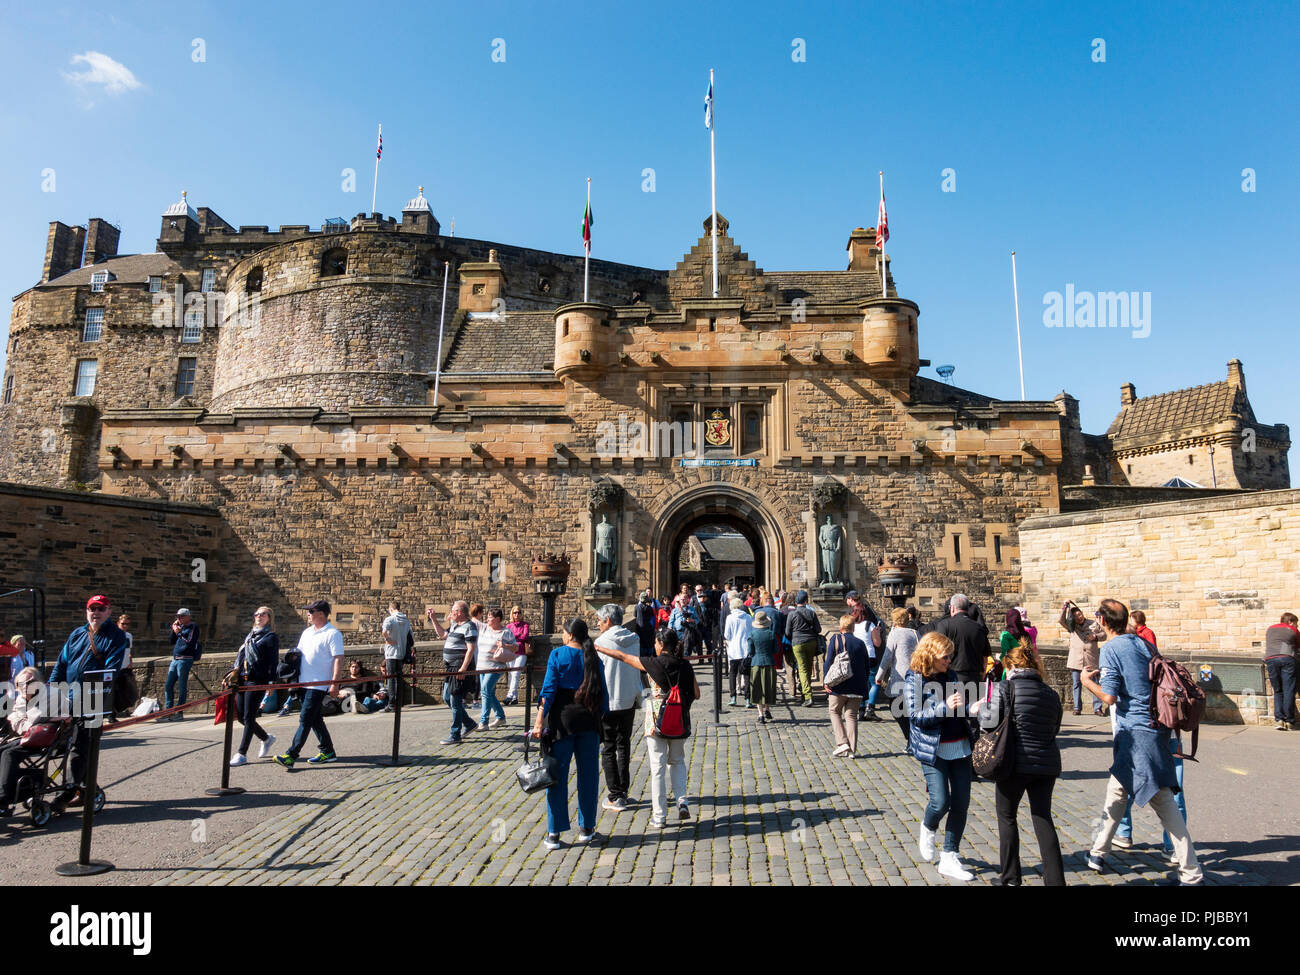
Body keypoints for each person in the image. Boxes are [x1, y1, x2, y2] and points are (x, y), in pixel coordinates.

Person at [1081, 598, 1202, 885]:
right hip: (1155, 728)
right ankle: (1097, 853)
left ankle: (1191, 872)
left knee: (1162, 801)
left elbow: (1109, 697)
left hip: (1136, 735)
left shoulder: (1111, 648)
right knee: (1118, 791)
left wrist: (1087, 682)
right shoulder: (1144, 643)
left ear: (1102, 620)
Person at [592, 627, 700, 827]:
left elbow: (622, 657)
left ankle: (659, 817)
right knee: (677, 761)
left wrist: (598, 647)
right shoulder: (685, 666)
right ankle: (681, 800)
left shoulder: (653, 663)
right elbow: (697, 693)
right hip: (679, 721)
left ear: (660, 645)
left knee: (657, 768)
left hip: (656, 723)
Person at [980, 640, 1066, 886]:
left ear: (1011, 666)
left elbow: (989, 722)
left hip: (1013, 764)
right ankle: (1055, 881)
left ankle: (1010, 878)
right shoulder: (1051, 693)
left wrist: (979, 709)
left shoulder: (1006, 688)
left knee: (1007, 817)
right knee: (1042, 818)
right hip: (1046, 764)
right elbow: (1055, 728)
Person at [906, 631, 977, 882]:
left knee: (960, 804)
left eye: (950, 656)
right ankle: (928, 827)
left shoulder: (952, 675)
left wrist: (971, 708)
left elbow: (959, 706)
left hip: (960, 747)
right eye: (945, 656)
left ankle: (949, 855)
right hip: (933, 749)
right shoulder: (914, 678)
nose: (949, 660)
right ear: (931, 655)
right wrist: (944, 707)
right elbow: (916, 717)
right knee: (940, 802)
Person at [531, 618, 608, 850]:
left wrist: (538, 722)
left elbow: (548, 692)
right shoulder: (593, 657)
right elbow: (603, 695)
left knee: (556, 777)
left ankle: (554, 833)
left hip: (562, 723)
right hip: (589, 722)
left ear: (569, 635)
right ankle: (587, 829)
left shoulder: (558, 655)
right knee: (589, 777)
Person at [49, 594, 129, 811]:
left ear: (109, 612)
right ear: (87, 611)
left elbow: (110, 670)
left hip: (93, 698)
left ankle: (67, 793)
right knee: (68, 746)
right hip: (69, 697)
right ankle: (86, 788)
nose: (96, 613)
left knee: (80, 745)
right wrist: (52, 689)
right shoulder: (77, 633)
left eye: (100, 609)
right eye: (92, 609)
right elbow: (62, 663)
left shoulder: (115, 636)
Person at [273, 599, 345, 770]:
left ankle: (291, 755)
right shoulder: (306, 633)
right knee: (314, 719)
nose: (308, 614)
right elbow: (297, 656)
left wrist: (334, 684)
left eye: (311, 611)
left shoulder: (333, 633)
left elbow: (338, 660)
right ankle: (327, 751)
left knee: (305, 718)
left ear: (320, 614)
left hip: (319, 684)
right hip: (303, 683)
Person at [594, 604, 642, 811]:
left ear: (608, 620)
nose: (597, 623)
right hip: (629, 698)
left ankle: (615, 794)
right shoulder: (634, 639)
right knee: (624, 746)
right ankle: (622, 790)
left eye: (599, 620)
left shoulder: (601, 642)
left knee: (608, 748)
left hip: (609, 700)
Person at [229, 606, 278, 766]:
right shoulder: (250, 635)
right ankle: (266, 738)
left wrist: (271, 682)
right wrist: (232, 673)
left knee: (249, 717)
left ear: (269, 618)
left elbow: (273, 662)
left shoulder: (270, 637)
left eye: (263, 614)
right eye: (256, 613)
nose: (259, 616)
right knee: (243, 717)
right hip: (243, 679)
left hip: (257, 680)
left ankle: (241, 753)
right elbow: (241, 657)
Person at [430, 600, 479, 745]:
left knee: (455, 700)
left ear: (459, 612)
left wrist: (463, 668)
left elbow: (470, 649)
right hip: (450, 667)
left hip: (459, 666)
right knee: (447, 697)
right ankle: (469, 724)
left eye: (452, 611)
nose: (450, 613)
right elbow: (442, 635)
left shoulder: (469, 627)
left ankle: (455, 734)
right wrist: (433, 619)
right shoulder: (455, 626)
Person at [0, 666, 45, 816]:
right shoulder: (20, 698)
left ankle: (2, 801)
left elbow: (34, 723)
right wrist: (22, 722)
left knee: (8, 754)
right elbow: (16, 722)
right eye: (21, 684)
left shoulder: (48, 696)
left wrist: (22, 722)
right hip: (24, 737)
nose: (25, 687)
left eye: (30, 682)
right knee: (2, 749)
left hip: (43, 737)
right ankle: (11, 789)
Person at [825, 614, 870, 757]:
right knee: (851, 716)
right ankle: (852, 750)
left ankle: (842, 742)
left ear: (840, 627)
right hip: (857, 686)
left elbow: (829, 662)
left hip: (839, 685)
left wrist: (826, 682)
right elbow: (866, 666)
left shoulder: (836, 639)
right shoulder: (860, 643)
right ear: (853, 627)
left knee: (834, 711)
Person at [933, 594, 989, 700]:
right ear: (967, 608)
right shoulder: (979, 628)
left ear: (952, 608)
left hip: (951, 676)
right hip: (975, 677)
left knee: (953, 713)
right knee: (973, 712)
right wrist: (981, 675)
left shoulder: (944, 625)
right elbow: (985, 657)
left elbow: (937, 652)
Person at [877, 606, 918, 749]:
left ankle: (911, 738)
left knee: (895, 708)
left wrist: (879, 676)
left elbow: (887, 657)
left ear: (895, 621)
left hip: (899, 677)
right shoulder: (915, 633)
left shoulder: (895, 634)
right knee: (910, 709)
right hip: (915, 675)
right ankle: (912, 739)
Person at [1060, 599, 1104, 716]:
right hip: (1076, 659)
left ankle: (1097, 708)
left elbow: (1104, 634)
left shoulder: (1093, 623)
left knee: (1095, 683)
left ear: (1082, 613)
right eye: (1075, 616)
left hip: (1091, 658)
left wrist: (1095, 636)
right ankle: (1077, 707)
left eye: (1079, 614)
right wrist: (1065, 607)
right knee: (1076, 684)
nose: (1078, 617)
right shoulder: (1072, 626)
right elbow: (1061, 620)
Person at [475, 608, 516, 729]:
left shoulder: (506, 632)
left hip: (495, 666)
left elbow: (515, 648)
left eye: (490, 617)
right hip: (481, 666)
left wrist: (505, 645)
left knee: (485, 690)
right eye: (487, 617)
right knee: (489, 692)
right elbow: (472, 620)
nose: (487, 619)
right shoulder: (484, 628)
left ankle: (484, 721)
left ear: (497, 619)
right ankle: (500, 717)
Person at [848, 592, 885, 720]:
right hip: (870, 656)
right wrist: (878, 633)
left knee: (861, 683)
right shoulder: (870, 625)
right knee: (874, 683)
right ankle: (870, 708)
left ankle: (861, 709)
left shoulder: (852, 627)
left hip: (856, 656)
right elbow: (877, 643)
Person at [785, 589, 822, 708]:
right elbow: (818, 629)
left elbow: (787, 632)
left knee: (802, 669)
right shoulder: (811, 613)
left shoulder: (792, 614)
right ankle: (806, 692)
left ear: (796, 602)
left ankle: (807, 696)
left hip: (797, 642)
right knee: (808, 667)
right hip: (811, 642)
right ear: (806, 601)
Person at [164, 607, 202, 721]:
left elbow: (189, 642)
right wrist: (174, 629)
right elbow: (171, 641)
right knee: (168, 685)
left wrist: (179, 632)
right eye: (178, 616)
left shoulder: (193, 627)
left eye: (182, 616)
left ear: (188, 617)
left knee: (182, 686)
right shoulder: (181, 627)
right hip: (175, 659)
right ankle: (169, 711)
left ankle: (179, 712)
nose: (179, 618)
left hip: (185, 659)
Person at [1264, 612, 1298, 730]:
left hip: (1270, 659)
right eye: (1296, 624)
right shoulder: (1292, 629)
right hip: (1287, 659)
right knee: (1288, 690)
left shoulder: (1270, 629)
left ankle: (1279, 720)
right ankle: (1289, 721)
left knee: (1278, 690)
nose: (1297, 626)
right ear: (1290, 622)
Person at [747, 610, 778, 723]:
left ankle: (760, 714)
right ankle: (767, 709)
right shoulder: (771, 634)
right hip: (769, 662)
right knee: (768, 687)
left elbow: (750, 651)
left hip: (756, 663)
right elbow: (776, 650)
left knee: (757, 688)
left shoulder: (752, 634)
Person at [380, 600, 411, 713]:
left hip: (391, 653)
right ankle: (398, 703)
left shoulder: (390, 619)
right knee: (398, 678)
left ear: (391, 609)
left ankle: (392, 705)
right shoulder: (406, 620)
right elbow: (410, 636)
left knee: (391, 679)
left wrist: (388, 640)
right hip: (401, 652)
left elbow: (384, 631)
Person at [723, 596, 753, 707]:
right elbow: (751, 632)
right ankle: (748, 699)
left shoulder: (730, 618)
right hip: (745, 650)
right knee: (746, 675)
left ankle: (733, 697)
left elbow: (727, 635)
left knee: (733, 674)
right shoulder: (748, 617)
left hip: (733, 650)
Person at [107, 617, 137, 721]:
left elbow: (129, 651)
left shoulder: (129, 636)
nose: (125, 626)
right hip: (114, 668)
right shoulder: (113, 635)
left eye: (127, 624)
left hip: (125, 667)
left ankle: (116, 712)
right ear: (118, 623)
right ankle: (111, 715)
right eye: (123, 624)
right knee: (112, 692)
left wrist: (130, 661)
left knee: (125, 691)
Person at [504, 605, 531, 704]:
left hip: (521, 652)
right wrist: (518, 635)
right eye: (515, 612)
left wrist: (513, 636)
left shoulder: (525, 625)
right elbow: (506, 638)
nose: (517, 614)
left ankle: (509, 695)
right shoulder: (508, 626)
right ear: (512, 614)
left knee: (516, 674)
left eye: (519, 612)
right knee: (511, 675)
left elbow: (525, 636)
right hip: (510, 652)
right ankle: (515, 698)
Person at [635, 593, 658, 658]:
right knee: (649, 644)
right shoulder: (650, 608)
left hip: (640, 628)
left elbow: (635, 615)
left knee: (641, 644)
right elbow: (652, 616)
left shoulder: (637, 607)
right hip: (648, 627)